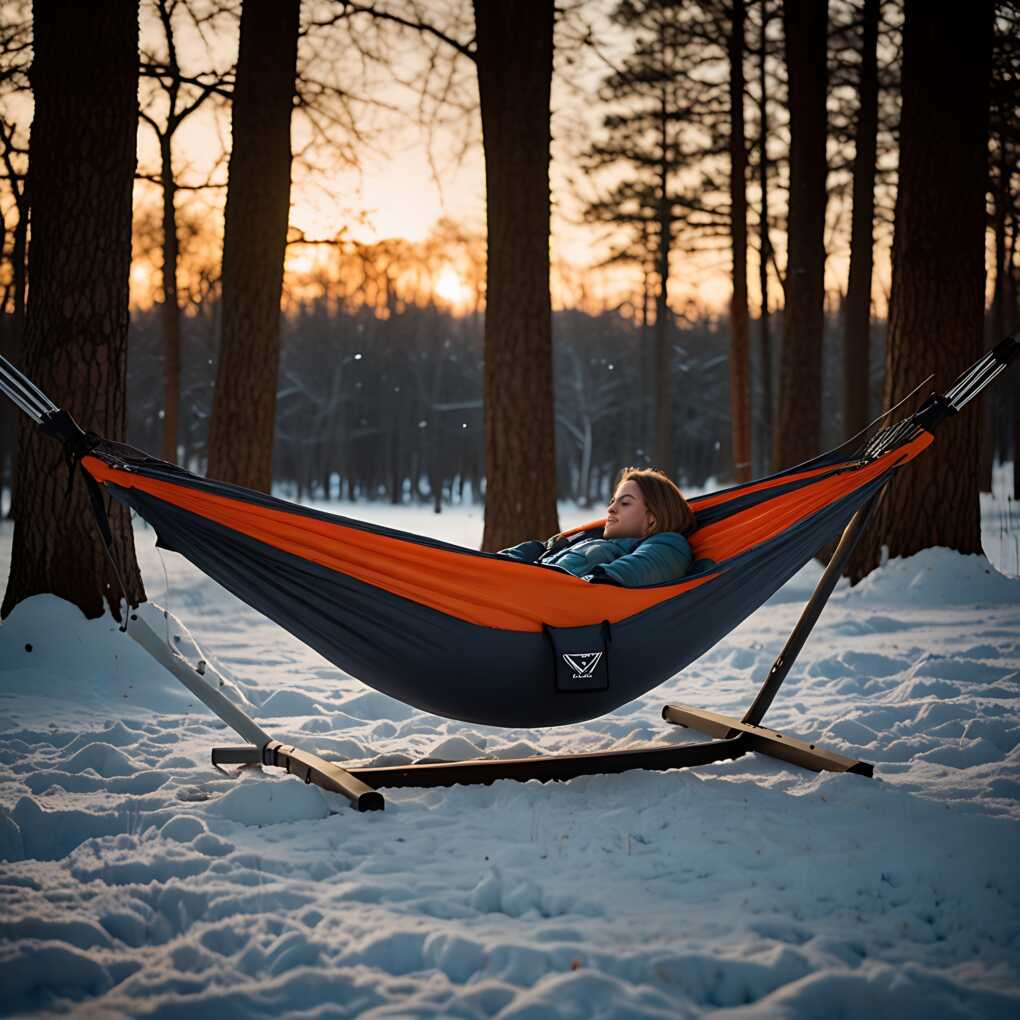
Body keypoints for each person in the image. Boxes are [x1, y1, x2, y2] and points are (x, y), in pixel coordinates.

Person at [498, 467, 696, 586]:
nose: (610, 509)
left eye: (624, 503)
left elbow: (634, 571)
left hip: (540, 605)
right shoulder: (590, 537)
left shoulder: (669, 543)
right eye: (612, 501)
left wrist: (591, 581)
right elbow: (540, 550)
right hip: (514, 590)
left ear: (652, 519)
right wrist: (494, 564)